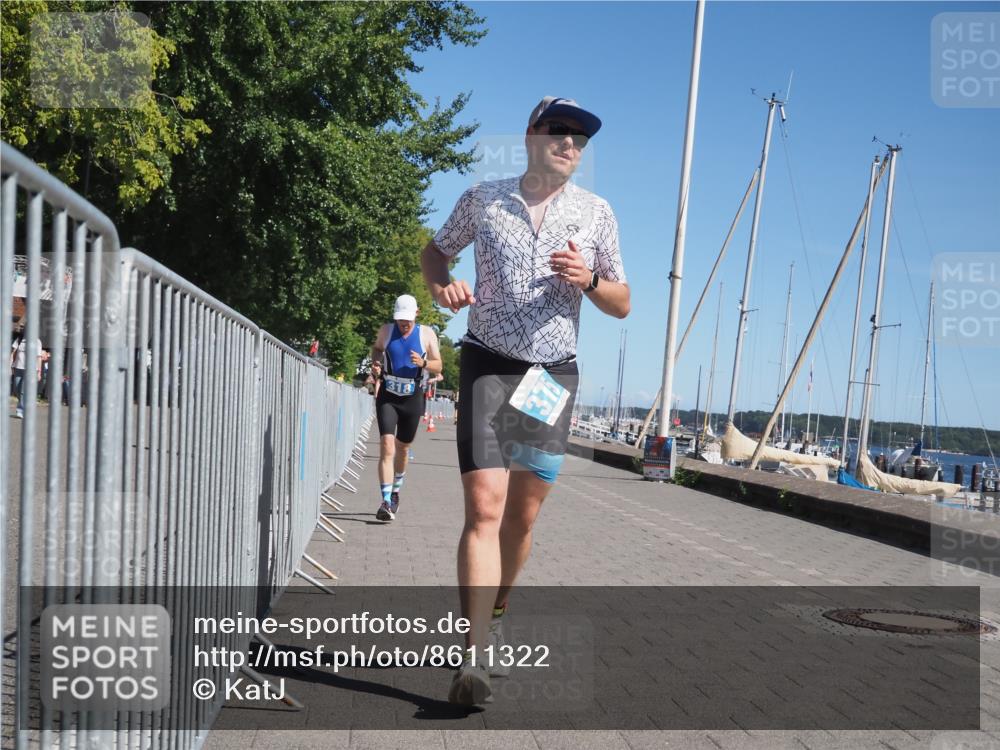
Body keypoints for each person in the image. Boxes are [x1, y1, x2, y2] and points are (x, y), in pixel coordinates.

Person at [421, 96, 629, 704]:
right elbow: (436, 252)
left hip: (548, 378)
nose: (571, 144)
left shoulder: (596, 214)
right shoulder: (484, 199)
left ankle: (501, 606)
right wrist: (441, 286)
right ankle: (473, 656)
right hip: (488, 361)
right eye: (561, 131)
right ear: (532, 135)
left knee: (521, 516)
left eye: (581, 138)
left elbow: (622, 302)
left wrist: (588, 280)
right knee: (485, 508)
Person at [369, 294, 442, 521]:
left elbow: (439, 364)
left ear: (416, 314)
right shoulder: (386, 330)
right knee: (387, 445)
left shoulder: (427, 333)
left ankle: (396, 491)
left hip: (412, 398)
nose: (404, 324)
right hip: (388, 396)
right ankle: (385, 502)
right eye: (400, 320)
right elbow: (377, 349)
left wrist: (424, 363)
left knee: (402, 449)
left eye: (408, 320)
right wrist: (376, 364)